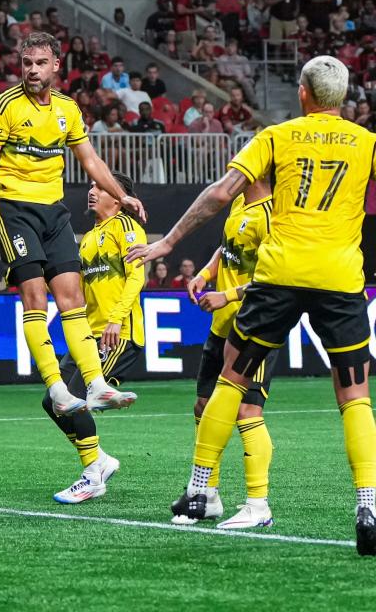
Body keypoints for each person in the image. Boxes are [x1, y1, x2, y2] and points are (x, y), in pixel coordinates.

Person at [127, 56, 376, 554]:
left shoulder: (277, 136)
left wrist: (168, 243)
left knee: (231, 380)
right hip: (340, 277)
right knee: (355, 396)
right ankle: (367, 505)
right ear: (343, 98)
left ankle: (199, 490)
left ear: (302, 92)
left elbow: (221, 193)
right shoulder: (367, 143)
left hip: (279, 275)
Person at [0, 31, 146, 420]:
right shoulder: (3, 107)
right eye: (27, 63)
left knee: (72, 297)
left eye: (40, 63)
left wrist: (121, 194)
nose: (32, 70)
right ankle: (58, 389)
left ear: (56, 66)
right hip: (11, 207)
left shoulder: (68, 109)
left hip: (53, 209)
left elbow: (91, 161)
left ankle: (95, 385)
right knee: (36, 299)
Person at [180, 179, 276, 529]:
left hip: (256, 329)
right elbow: (227, 249)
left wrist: (229, 295)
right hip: (221, 328)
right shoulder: (239, 204)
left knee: (247, 411)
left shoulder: (273, 215)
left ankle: (258, 503)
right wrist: (206, 273)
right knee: (204, 406)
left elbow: (276, 278)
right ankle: (207, 497)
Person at [47, 172, 145, 504]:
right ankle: (100, 460)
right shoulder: (89, 237)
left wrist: (116, 320)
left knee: (73, 399)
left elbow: (137, 276)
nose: (91, 191)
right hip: (86, 338)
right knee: (53, 401)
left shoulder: (126, 228)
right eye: (91, 186)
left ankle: (92, 474)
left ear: (117, 197)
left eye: (99, 187)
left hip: (117, 334)